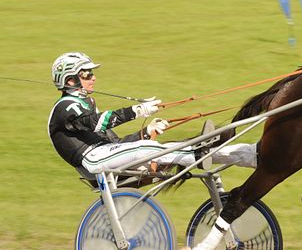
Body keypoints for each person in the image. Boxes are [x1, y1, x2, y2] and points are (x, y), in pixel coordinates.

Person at [48, 52, 257, 176]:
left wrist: (147, 131)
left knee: (162, 147)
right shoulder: (65, 107)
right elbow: (94, 123)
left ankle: (245, 157)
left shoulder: (86, 103)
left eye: (92, 73)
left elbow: (118, 143)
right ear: (69, 80)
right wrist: (137, 111)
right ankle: (198, 155)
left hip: (105, 154)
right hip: (92, 160)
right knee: (148, 149)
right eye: (86, 74)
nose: (92, 78)